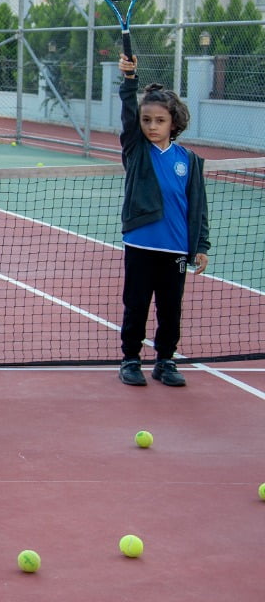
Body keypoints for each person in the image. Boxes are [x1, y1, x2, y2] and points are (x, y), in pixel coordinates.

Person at [115, 54, 209, 388]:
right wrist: (129, 81)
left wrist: (199, 245)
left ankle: (165, 360)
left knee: (171, 308)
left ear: (174, 123)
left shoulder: (190, 161)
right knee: (136, 305)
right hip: (141, 244)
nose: (152, 126)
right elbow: (128, 116)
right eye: (146, 120)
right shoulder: (136, 151)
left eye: (159, 121)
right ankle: (130, 360)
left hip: (176, 250)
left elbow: (197, 207)